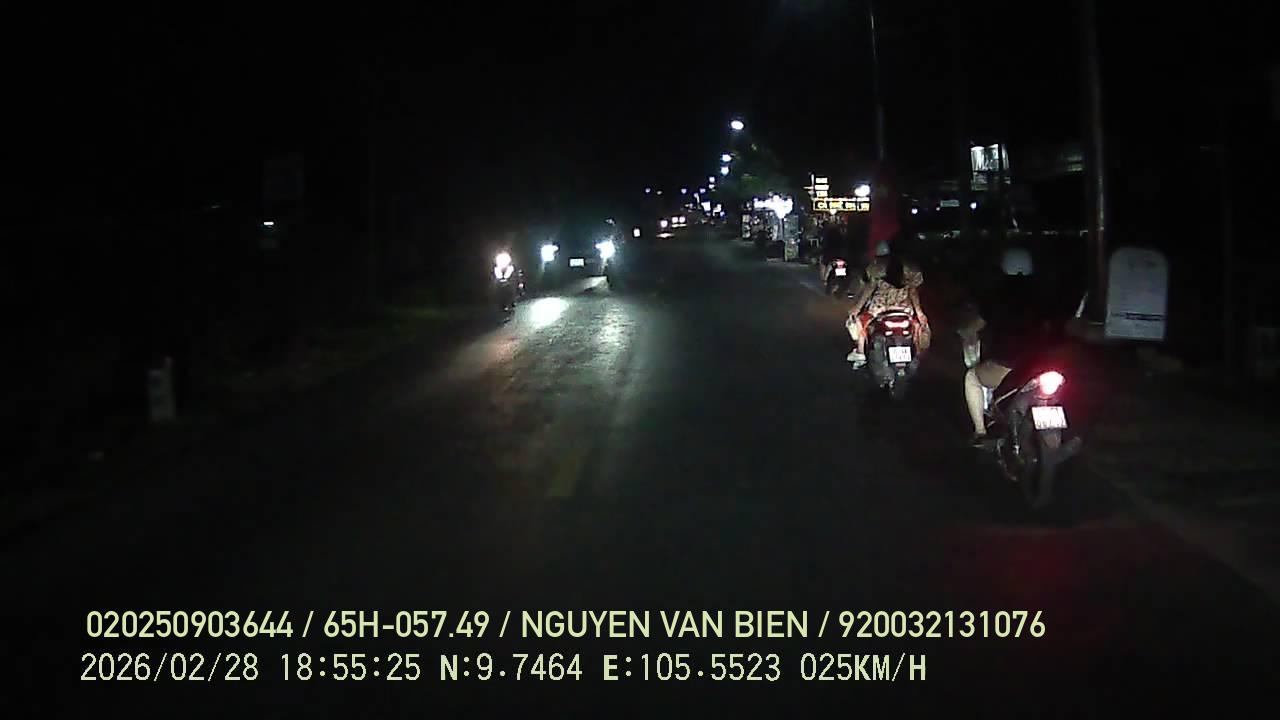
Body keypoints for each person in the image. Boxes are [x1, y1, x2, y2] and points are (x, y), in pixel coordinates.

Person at [962, 247, 1050, 447]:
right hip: (1040, 362)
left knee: (972, 377)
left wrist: (964, 331)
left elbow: (976, 325)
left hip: (1009, 363)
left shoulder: (997, 295)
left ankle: (980, 432)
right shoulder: (1041, 293)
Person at [845, 238, 930, 367]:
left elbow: (869, 289)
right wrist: (919, 313)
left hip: (879, 308)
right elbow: (913, 292)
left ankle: (860, 352)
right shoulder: (912, 268)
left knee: (860, 322)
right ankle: (917, 352)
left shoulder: (875, 268)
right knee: (917, 326)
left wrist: (857, 308)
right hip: (904, 309)